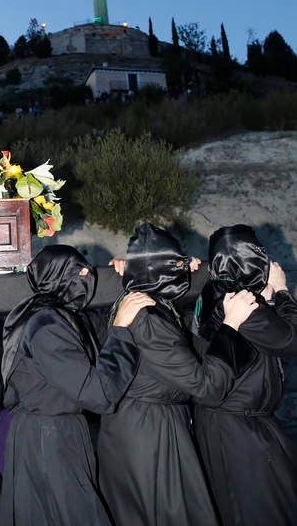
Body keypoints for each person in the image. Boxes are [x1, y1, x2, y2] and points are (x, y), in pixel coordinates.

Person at [98, 222, 259, 526]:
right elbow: (207, 387)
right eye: (176, 263)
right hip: (149, 432)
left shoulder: (149, 301)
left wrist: (191, 270)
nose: (183, 269)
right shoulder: (146, 316)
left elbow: (180, 312)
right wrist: (231, 325)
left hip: (148, 423)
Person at [0, 243, 154, 526]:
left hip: (54, 432)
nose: (87, 274)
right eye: (78, 270)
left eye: (87, 268)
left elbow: (99, 327)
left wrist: (122, 277)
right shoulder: (47, 324)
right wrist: (120, 330)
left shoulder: (58, 315)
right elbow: (98, 395)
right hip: (47, 438)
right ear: (57, 276)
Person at [193, 224, 297, 526]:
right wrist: (282, 290)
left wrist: (268, 299)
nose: (267, 260)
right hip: (237, 425)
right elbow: (290, 341)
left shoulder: (218, 292)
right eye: (260, 253)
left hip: (234, 419)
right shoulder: (241, 302)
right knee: (258, 507)